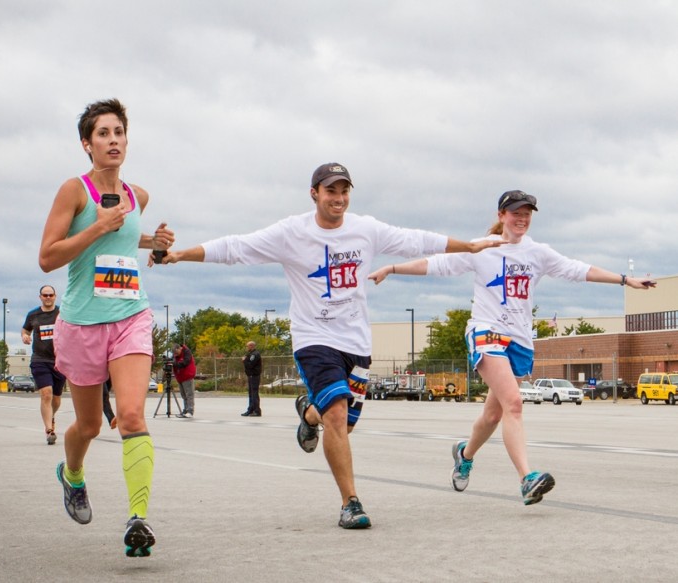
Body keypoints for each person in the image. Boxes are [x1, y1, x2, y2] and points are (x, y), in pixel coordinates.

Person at [160, 162, 501, 528]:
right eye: (331, 191)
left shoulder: (365, 229)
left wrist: (468, 246)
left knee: (343, 423)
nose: (339, 199)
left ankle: (308, 413)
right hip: (313, 338)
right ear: (315, 194)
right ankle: (350, 503)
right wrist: (181, 254)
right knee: (336, 415)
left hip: (355, 340)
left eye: (344, 191)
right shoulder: (292, 232)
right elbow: (236, 247)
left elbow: (414, 239)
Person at [369, 189, 656, 505]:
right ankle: (526, 479)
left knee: (493, 416)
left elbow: (579, 270)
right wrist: (392, 268)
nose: (521, 218)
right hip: (486, 332)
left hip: (519, 340)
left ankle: (464, 454)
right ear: (501, 215)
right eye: (515, 212)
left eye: (527, 213)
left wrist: (625, 280)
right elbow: (437, 264)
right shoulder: (482, 248)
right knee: (515, 404)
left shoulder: (538, 253)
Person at [38, 98, 174, 557]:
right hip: (81, 323)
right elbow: (48, 258)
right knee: (90, 425)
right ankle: (72, 475)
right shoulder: (73, 192)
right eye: (103, 133)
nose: (113, 140)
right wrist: (97, 228)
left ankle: (138, 518)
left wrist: (156, 243)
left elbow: (126, 237)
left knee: (132, 416)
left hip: (131, 317)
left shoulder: (139, 195)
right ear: (87, 144)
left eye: (119, 132)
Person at [21, 284, 67, 445]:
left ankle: (52, 417)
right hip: (40, 360)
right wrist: (25, 337)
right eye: (45, 295)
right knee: (46, 393)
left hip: (59, 360)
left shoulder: (62, 312)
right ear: (40, 297)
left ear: (55, 296)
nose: (48, 298)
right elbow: (25, 330)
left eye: (51, 295)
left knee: (56, 398)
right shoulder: (33, 314)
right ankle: (49, 430)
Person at [173, 343, 196, 418]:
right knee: (184, 395)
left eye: (176, 352)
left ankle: (190, 411)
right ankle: (185, 410)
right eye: (174, 353)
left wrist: (175, 364)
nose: (175, 354)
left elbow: (185, 363)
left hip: (187, 376)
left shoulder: (186, 352)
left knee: (189, 394)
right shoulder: (176, 356)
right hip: (180, 377)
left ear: (179, 348)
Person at [241, 340, 262, 417]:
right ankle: (250, 409)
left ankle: (257, 411)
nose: (247, 347)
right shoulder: (250, 354)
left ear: (252, 346)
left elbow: (250, 365)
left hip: (254, 376)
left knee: (254, 394)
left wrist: (244, 360)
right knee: (251, 394)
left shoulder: (255, 354)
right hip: (250, 375)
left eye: (248, 346)